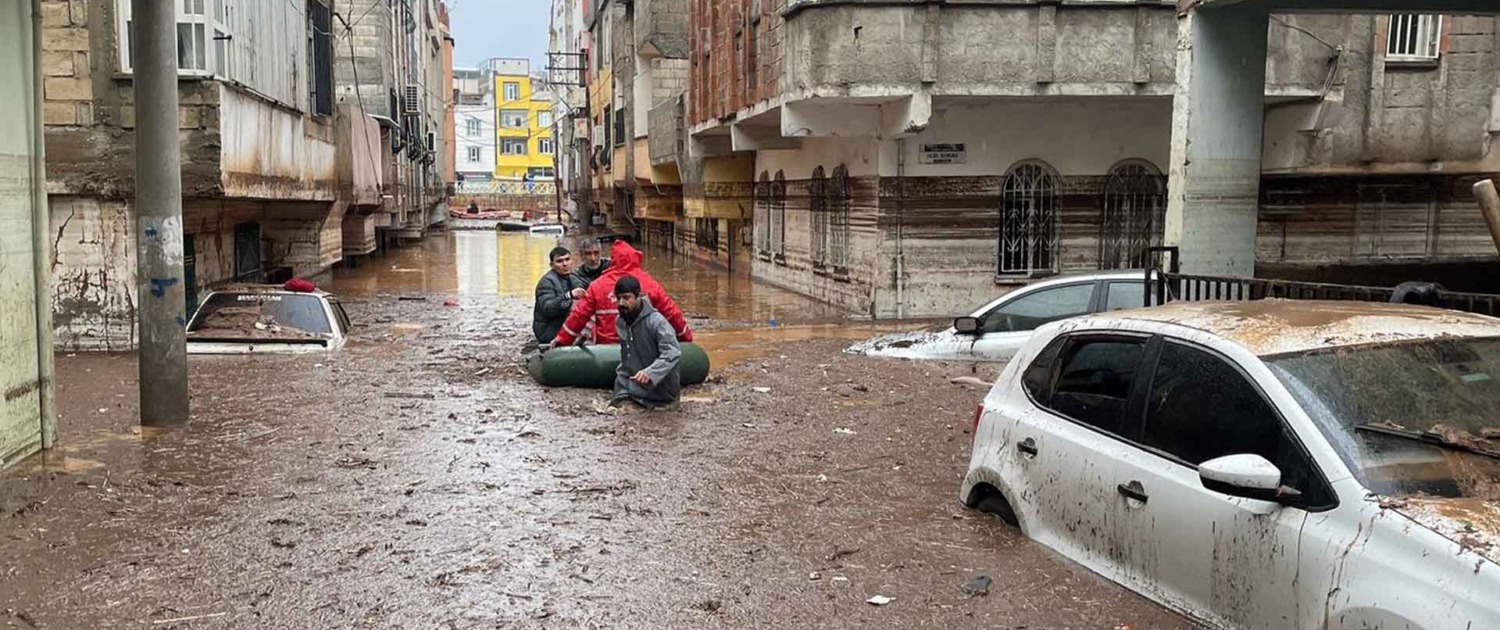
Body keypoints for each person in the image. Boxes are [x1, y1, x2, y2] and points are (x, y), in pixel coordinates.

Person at [553, 240, 692, 346]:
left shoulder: (597, 285)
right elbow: (672, 313)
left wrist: (561, 341)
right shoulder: (649, 283)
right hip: (642, 347)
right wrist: (685, 338)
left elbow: (578, 317)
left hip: (606, 348)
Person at [610, 276, 681, 410]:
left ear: (639, 297)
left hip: (660, 394)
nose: (621, 303)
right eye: (618, 298)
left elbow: (672, 352)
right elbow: (626, 358)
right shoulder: (621, 321)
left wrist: (650, 373)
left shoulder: (657, 322)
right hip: (630, 389)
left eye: (626, 298)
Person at [533, 246, 586, 345]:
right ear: (552, 265)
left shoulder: (575, 279)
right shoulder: (546, 282)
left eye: (567, 259)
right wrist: (568, 296)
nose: (565, 264)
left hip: (563, 324)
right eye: (559, 261)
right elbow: (548, 309)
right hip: (547, 330)